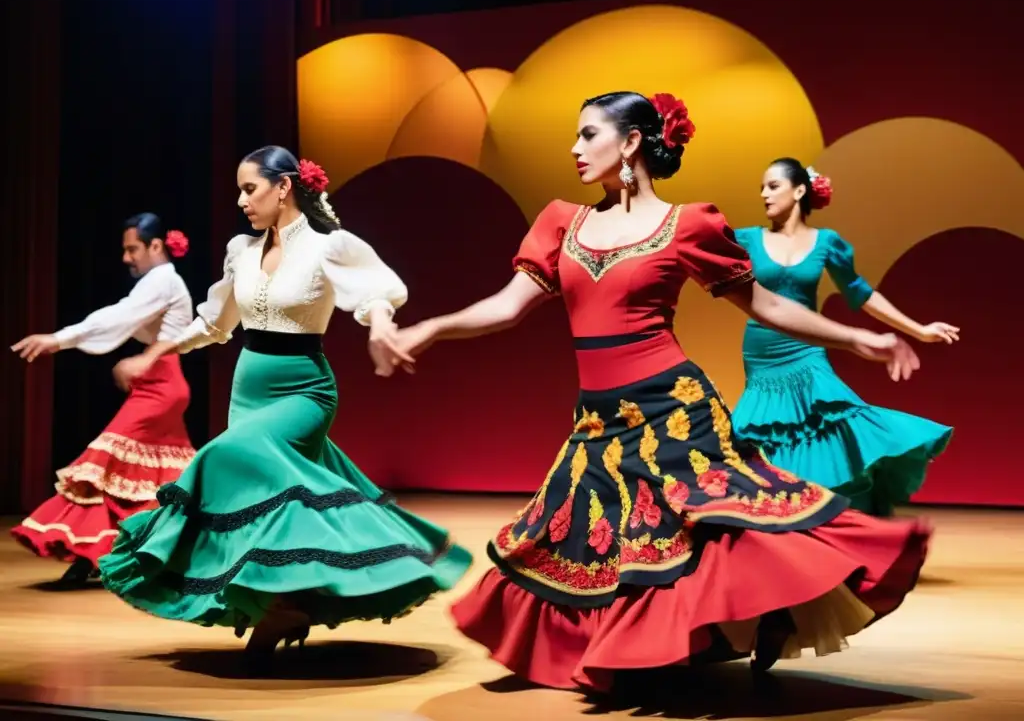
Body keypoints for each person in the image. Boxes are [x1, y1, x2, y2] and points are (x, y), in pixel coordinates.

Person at [391, 92, 930, 693]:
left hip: (673, 411)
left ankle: (760, 615)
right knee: (590, 542)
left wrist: (858, 339)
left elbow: (769, 304)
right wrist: (433, 327)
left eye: (587, 134)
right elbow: (507, 306)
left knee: (713, 527)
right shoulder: (561, 222)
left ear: (629, 144)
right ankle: (634, 649)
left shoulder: (688, 225)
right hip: (597, 420)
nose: (574, 148)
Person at [97, 146, 472, 674]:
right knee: (268, 506)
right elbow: (213, 322)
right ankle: (283, 606)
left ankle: (283, 607)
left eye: (249, 189)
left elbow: (378, 291)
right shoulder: (240, 251)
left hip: (304, 391)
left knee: (222, 457)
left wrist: (382, 325)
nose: (240, 200)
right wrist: (154, 352)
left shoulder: (328, 246)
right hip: (248, 389)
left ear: (283, 187)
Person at [729, 159, 956, 515]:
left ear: (799, 190)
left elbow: (861, 293)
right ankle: (779, 518)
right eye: (762, 187)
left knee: (833, 422)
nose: (763, 194)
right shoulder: (745, 239)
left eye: (772, 186)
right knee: (763, 434)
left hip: (807, 351)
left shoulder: (826, 243)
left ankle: (822, 512)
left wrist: (918, 330)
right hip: (762, 356)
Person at [10, 214, 196, 585]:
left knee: (104, 464)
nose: (127, 258)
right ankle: (130, 554)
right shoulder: (159, 281)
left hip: (161, 384)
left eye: (132, 249)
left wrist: (59, 339)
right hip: (159, 381)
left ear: (155, 246)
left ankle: (92, 553)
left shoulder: (163, 280)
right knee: (147, 477)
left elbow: (121, 315)